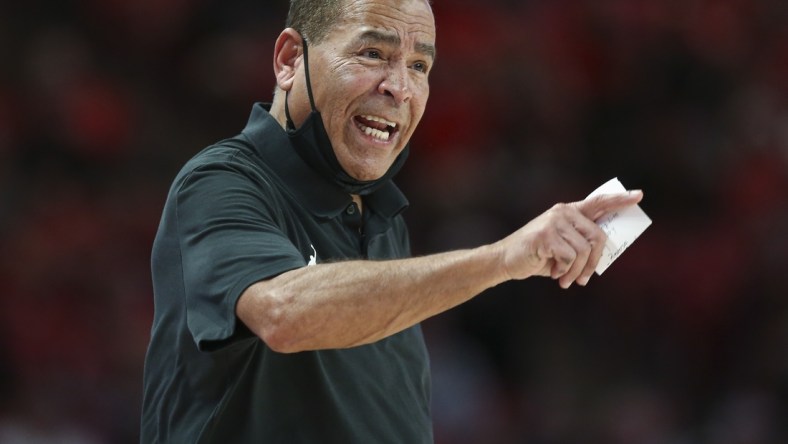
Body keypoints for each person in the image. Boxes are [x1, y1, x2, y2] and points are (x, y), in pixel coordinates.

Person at [140, 0, 644, 442]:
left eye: (420, 65)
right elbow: (282, 313)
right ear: (290, 59)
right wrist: (504, 258)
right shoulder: (221, 182)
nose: (400, 87)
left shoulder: (381, 218)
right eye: (373, 54)